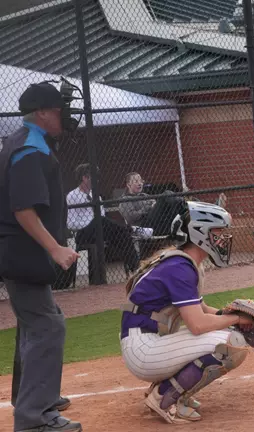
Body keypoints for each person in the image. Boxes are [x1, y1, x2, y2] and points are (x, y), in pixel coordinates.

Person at [120, 201, 254, 424]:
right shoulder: (180, 268)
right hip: (144, 349)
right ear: (200, 234)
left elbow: (200, 309)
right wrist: (236, 319)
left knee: (228, 333)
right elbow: (198, 324)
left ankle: (171, 389)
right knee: (234, 343)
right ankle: (165, 396)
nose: (221, 240)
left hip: (147, 341)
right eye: (217, 234)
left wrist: (230, 314)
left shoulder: (183, 262)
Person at [0, 82, 82, 431]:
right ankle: (34, 417)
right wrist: (55, 248)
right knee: (47, 326)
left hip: (20, 251)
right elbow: (23, 209)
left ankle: (32, 399)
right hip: (23, 251)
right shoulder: (29, 149)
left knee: (37, 323)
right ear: (44, 113)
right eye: (61, 107)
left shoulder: (28, 143)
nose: (67, 113)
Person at [67, 163, 140, 276]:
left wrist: (97, 221)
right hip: (83, 233)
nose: (97, 181)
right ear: (85, 178)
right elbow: (70, 223)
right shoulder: (72, 196)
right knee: (99, 220)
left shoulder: (97, 196)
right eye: (94, 177)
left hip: (99, 229)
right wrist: (90, 223)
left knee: (122, 234)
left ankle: (136, 268)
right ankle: (132, 229)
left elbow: (103, 218)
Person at [119, 172, 186, 236]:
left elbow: (154, 203)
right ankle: (185, 203)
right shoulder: (125, 200)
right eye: (136, 181)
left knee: (169, 201)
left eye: (141, 181)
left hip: (158, 221)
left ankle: (184, 208)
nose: (140, 184)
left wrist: (151, 206)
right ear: (128, 185)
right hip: (144, 226)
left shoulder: (144, 195)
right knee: (166, 194)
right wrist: (147, 207)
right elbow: (131, 217)